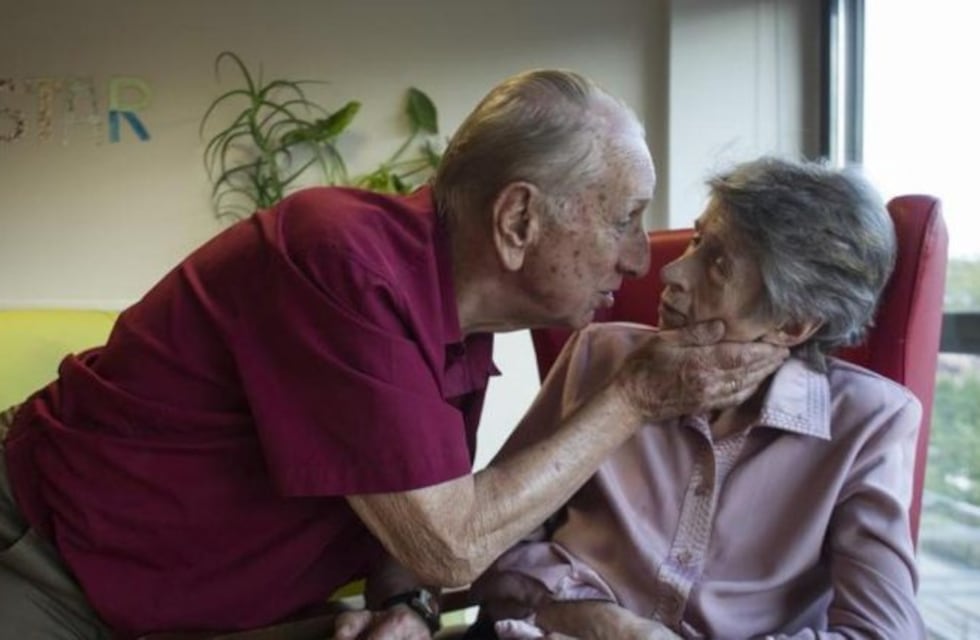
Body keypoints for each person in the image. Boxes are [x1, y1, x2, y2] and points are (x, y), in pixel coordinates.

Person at [0, 70, 786, 640]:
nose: (641, 259)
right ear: (518, 220)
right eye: (624, 220)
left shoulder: (467, 315)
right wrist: (634, 398)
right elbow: (449, 544)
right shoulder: (341, 262)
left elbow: (404, 525)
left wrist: (405, 605)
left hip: (195, 605)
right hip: (47, 560)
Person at [466, 157, 926, 639]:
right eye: (697, 240)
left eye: (718, 264)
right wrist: (613, 626)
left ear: (792, 325)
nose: (672, 272)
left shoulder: (871, 422)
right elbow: (490, 538)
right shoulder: (601, 355)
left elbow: (883, 633)